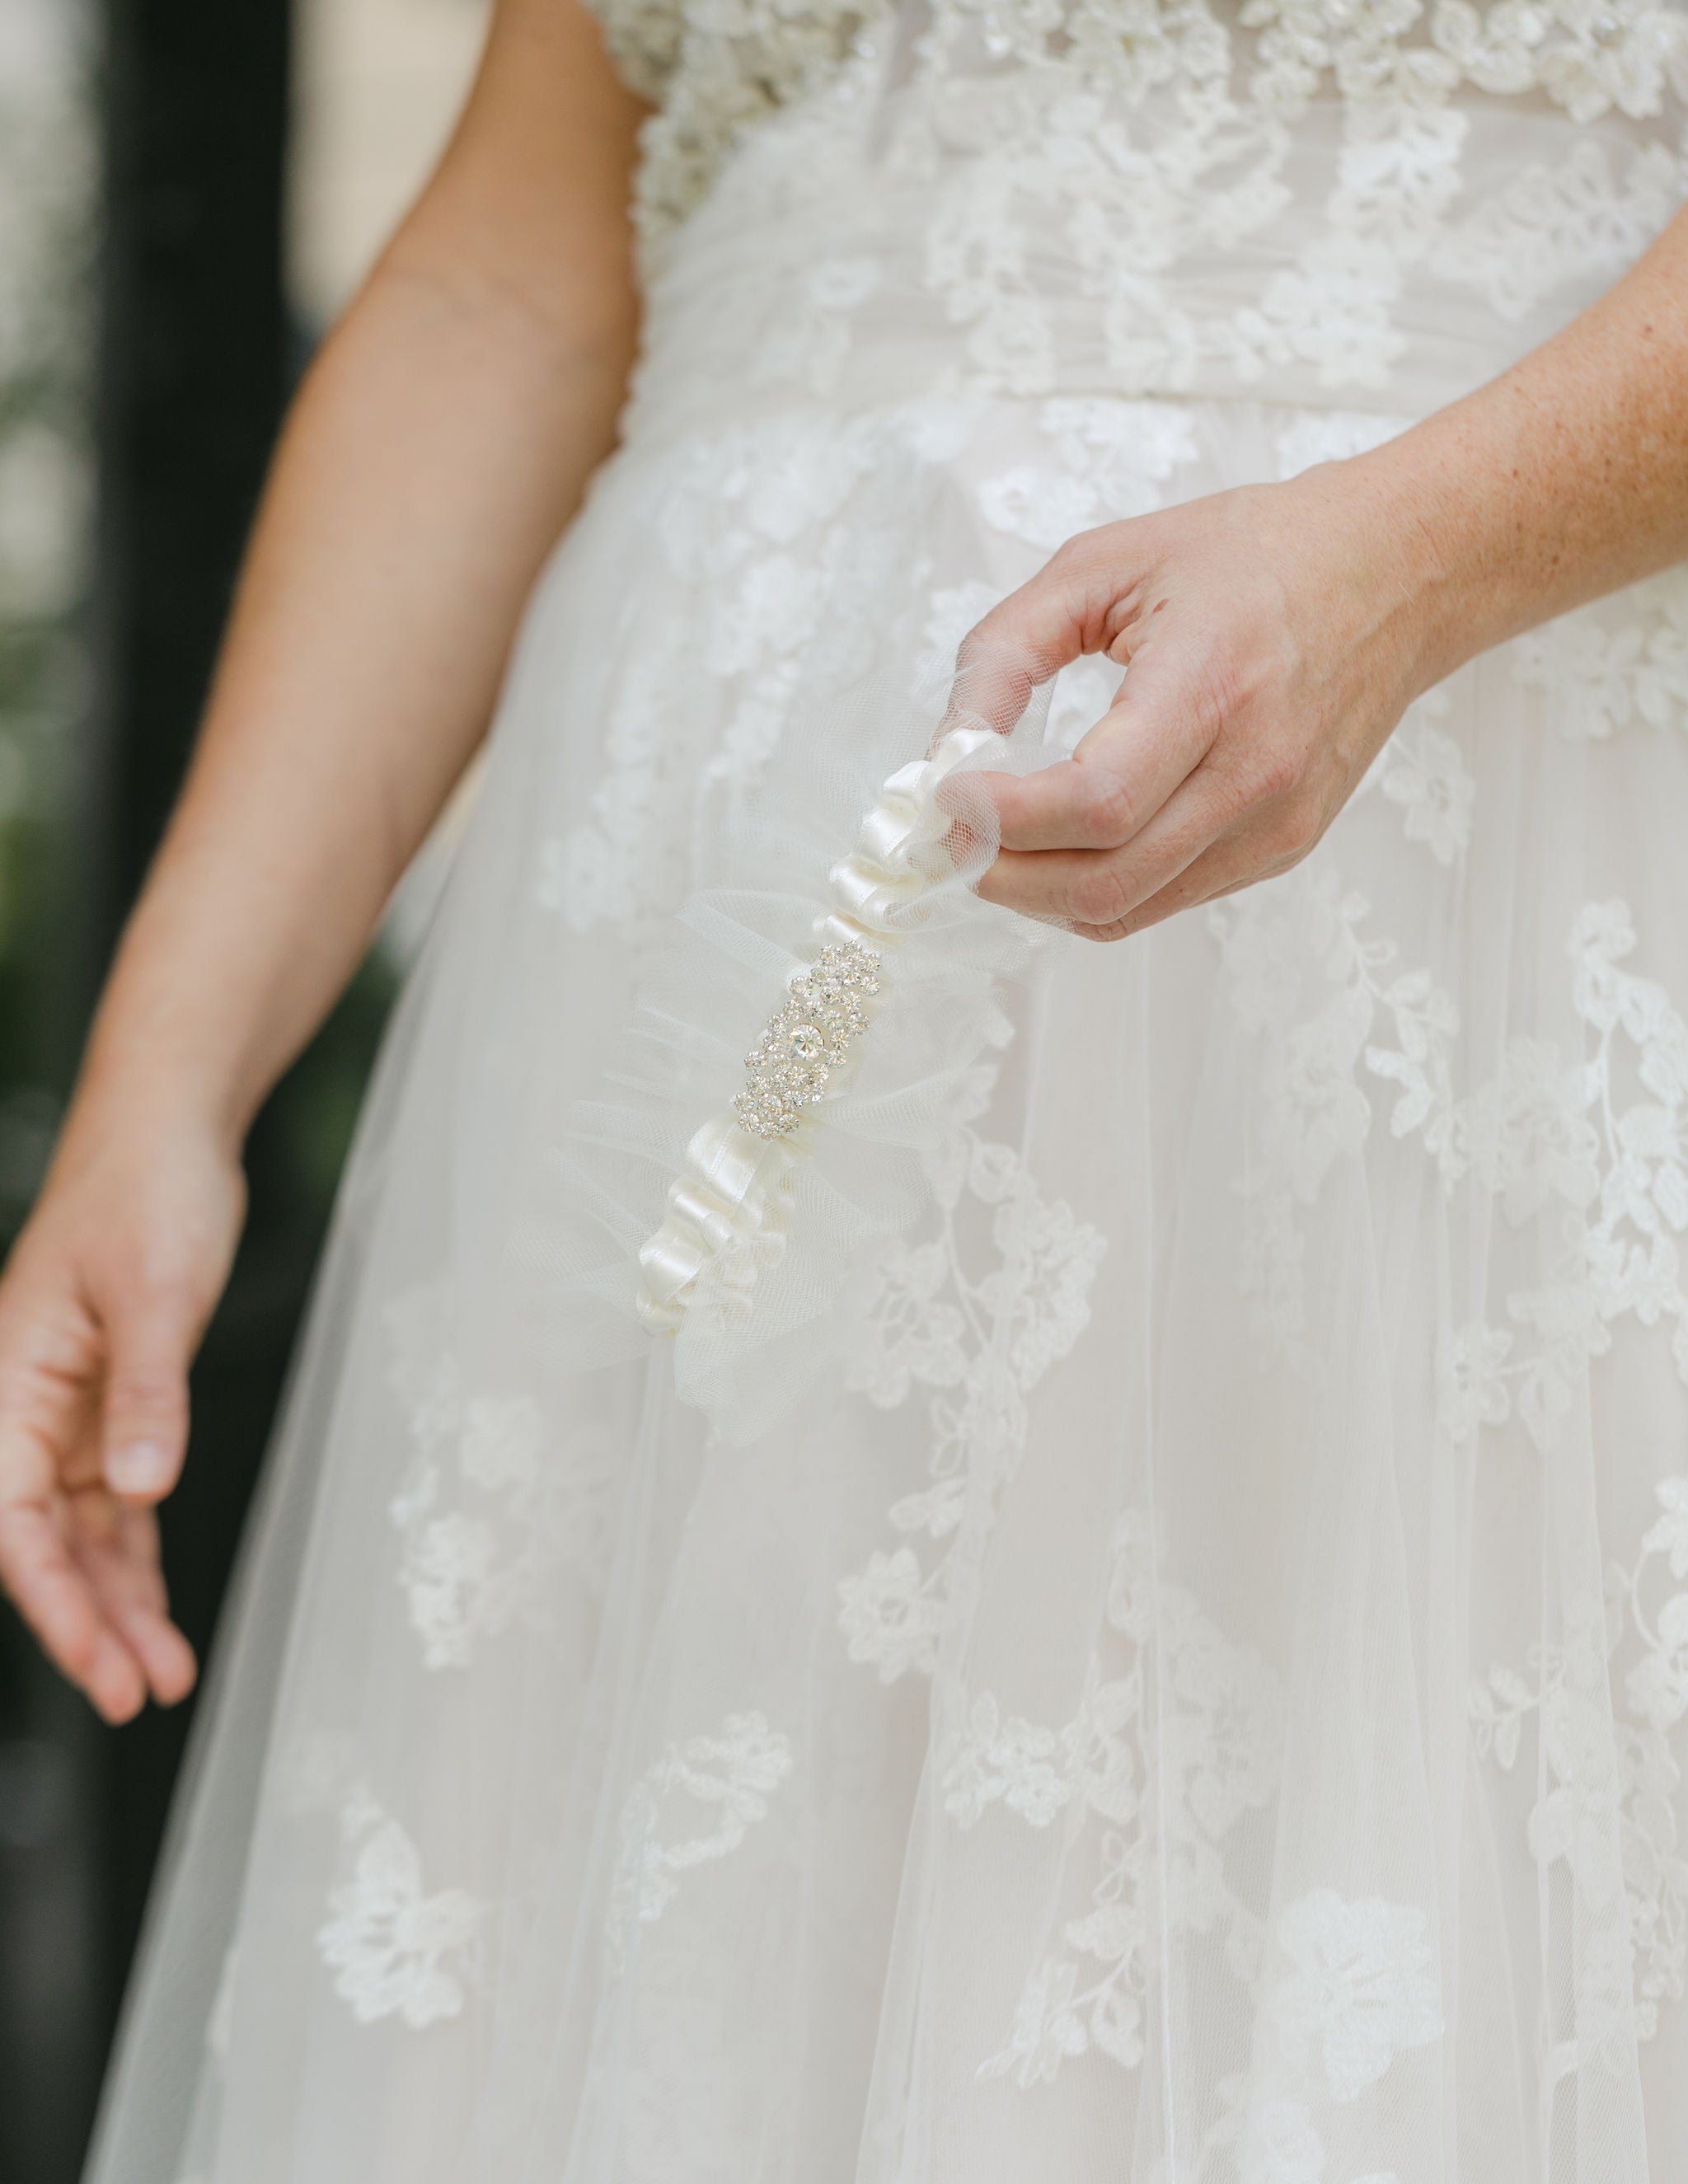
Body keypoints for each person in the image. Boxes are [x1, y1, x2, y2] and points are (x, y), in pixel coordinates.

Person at [4, 0, 1688, 2172]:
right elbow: (514, 265)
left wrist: (1413, 558)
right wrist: (168, 1068)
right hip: (695, 1025)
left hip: (1452, 947)